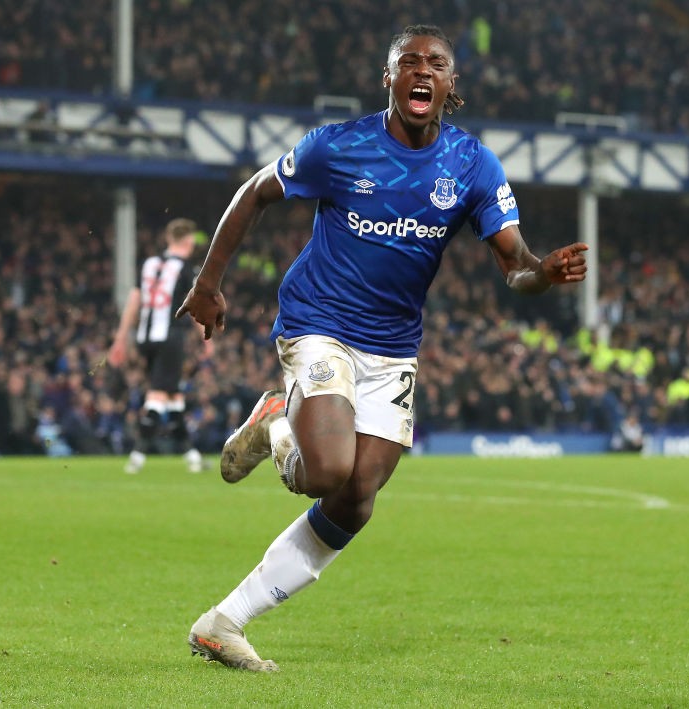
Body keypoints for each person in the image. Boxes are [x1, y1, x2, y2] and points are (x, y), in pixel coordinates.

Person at [176, 25, 588, 672]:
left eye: (436, 64)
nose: (422, 71)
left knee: (356, 496)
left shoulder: (472, 164)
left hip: (393, 347)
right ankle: (278, 424)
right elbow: (254, 192)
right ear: (389, 79)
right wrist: (208, 282)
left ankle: (223, 622)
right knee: (330, 468)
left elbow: (516, 264)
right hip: (319, 321)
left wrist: (545, 274)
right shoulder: (338, 147)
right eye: (408, 62)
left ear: (451, 86)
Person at [109, 218, 211, 474]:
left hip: (145, 338)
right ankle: (137, 455)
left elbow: (134, 300)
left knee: (173, 396)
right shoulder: (187, 268)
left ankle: (191, 456)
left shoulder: (149, 264)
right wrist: (206, 336)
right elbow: (194, 304)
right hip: (170, 338)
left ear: (168, 239)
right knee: (157, 395)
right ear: (188, 241)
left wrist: (121, 338)